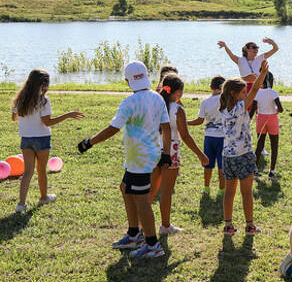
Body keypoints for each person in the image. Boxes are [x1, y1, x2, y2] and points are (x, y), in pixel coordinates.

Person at [77, 61, 171, 258]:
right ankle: (133, 234)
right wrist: (166, 153)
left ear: (128, 81)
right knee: (125, 188)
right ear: (146, 76)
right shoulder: (157, 98)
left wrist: (89, 142)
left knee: (142, 200)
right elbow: (167, 127)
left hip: (140, 158)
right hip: (149, 154)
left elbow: (113, 129)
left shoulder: (129, 103)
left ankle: (153, 244)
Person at [12, 69, 84, 213]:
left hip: (26, 139)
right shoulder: (43, 101)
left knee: (27, 173)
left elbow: (14, 117)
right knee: (41, 170)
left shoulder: (20, 99)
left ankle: (21, 204)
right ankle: (44, 197)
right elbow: (48, 122)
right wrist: (68, 115)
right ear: (43, 84)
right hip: (42, 140)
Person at [149, 74, 210, 235]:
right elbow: (186, 136)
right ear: (178, 92)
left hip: (153, 149)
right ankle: (165, 226)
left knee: (151, 190)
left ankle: (142, 224)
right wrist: (200, 154)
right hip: (172, 151)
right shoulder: (177, 110)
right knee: (166, 192)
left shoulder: (154, 105)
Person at [219, 59, 269, 236]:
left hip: (227, 156)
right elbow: (255, 90)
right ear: (234, 93)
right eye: (242, 92)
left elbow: (250, 91)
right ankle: (250, 226)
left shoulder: (223, 108)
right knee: (247, 193)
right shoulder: (240, 107)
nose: (245, 94)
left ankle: (228, 225)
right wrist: (262, 73)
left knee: (229, 192)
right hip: (243, 155)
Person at [188, 75, 226, 195]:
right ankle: (221, 189)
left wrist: (186, 123)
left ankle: (206, 187)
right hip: (223, 137)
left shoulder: (205, 102)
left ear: (211, 87)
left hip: (209, 137)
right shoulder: (227, 101)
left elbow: (199, 121)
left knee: (208, 163)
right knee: (222, 165)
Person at [252, 71, 283, 180]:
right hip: (272, 119)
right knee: (274, 145)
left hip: (261, 118)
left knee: (260, 144)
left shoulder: (257, 93)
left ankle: (254, 169)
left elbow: (252, 110)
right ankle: (271, 171)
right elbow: (281, 109)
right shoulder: (274, 93)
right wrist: (275, 110)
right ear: (271, 81)